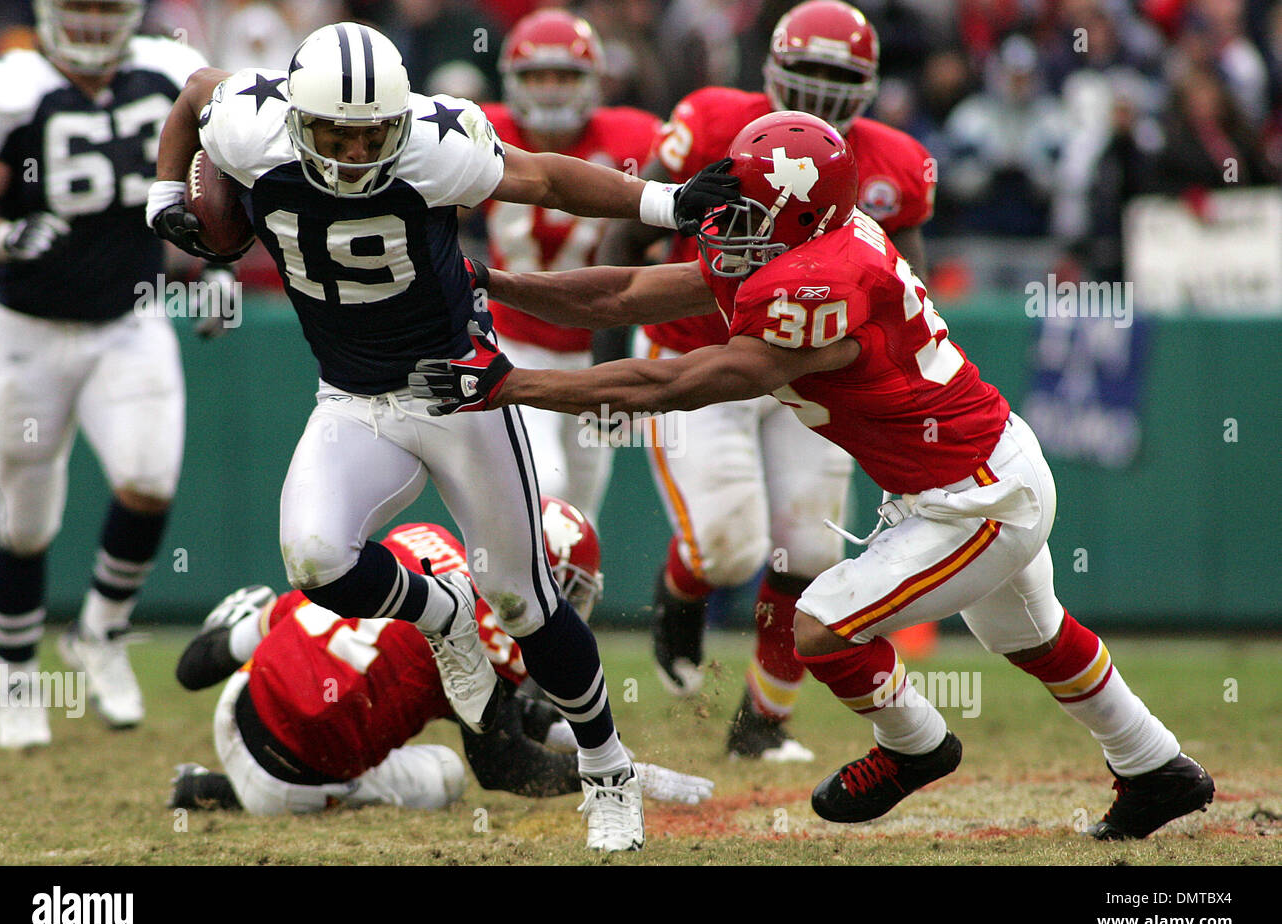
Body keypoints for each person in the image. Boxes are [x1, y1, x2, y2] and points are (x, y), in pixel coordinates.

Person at [409, 111, 1216, 841]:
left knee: (824, 623)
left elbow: (674, 383)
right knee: (1030, 635)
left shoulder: (817, 283)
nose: (727, 221)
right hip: (974, 472)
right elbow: (626, 290)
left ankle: (915, 745)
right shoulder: (797, 242)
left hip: (977, 496)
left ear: (796, 218)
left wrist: (512, 384)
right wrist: (499, 287)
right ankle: (1157, 768)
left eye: (750, 209)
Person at [146, 20, 733, 850]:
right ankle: (441, 611)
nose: (353, 152)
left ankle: (608, 773)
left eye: (370, 133)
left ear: (400, 119)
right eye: (334, 133)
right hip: (351, 395)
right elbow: (197, 90)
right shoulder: (251, 120)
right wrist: (163, 196)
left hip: (457, 388)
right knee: (315, 556)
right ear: (294, 119)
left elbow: (543, 178)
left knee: (525, 598)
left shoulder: (437, 143)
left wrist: (666, 201)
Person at [597, 0, 936, 763]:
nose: (818, 88)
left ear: (870, 85)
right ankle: (682, 589)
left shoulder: (894, 164)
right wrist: (604, 356)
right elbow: (629, 230)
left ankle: (761, 723)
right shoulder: (712, 124)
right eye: (806, 69)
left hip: (810, 373)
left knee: (809, 550)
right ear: (773, 68)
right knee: (726, 546)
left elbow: (906, 286)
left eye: (836, 75)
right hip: (702, 358)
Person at [0, 0, 218, 749]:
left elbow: (207, 187)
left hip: (129, 320)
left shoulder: (169, 74)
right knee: (25, 520)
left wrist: (202, 263)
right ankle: (17, 675)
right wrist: (6, 235)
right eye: (76, 9)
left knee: (148, 480)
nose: (88, 25)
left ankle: (101, 634)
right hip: (28, 330)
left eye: (103, 9)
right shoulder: (10, 89)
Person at [169, 501, 713, 816]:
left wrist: (584, 738)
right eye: (567, 591)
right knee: (447, 774)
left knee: (303, 612)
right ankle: (224, 792)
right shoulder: (496, 640)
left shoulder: (421, 537)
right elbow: (505, 768)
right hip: (287, 785)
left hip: (240, 700)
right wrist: (618, 775)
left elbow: (494, 709)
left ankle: (244, 620)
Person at [480, 10, 660, 522]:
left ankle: (564, 604)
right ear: (512, 82)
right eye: (537, 77)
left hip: (593, 357)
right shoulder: (481, 129)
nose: (552, 90)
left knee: (580, 517)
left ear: (594, 82)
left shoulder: (633, 137)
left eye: (565, 76)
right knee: (544, 497)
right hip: (512, 345)